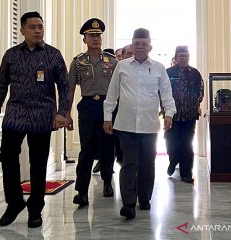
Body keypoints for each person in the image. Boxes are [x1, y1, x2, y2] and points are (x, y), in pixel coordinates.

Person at [0, 12, 70, 228]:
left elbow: (64, 86)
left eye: (40, 27)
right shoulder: (11, 55)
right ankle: (14, 202)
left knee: (38, 164)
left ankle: (35, 209)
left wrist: (62, 112)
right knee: (7, 158)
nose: (37, 31)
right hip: (15, 115)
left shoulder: (53, 55)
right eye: (33, 27)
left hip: (43, 116)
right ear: (23, 30)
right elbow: (0, 86)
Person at [103, 28, 176, 219]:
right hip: (125, 125)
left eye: (144, 43)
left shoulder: (159, 68)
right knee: (129, 164)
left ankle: (144, 198)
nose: (140, 46)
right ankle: (128, 203)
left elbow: (166, 94)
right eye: (137, 43)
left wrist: (169, 113)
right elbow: (112, 93)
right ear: (132, 46)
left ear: (150, 46)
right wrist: (107, 117)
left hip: (150, 125)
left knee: (147, 164)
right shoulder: (122, 66)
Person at [67, 18, 117, 207]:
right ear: (85, 39)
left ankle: (107, 183)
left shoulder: (112, 62)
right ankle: (82, 191)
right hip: (87, 107)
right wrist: (67, 113)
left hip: (108, 106)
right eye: (91, 35)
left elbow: (118, 88)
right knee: (86, 149)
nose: (95, 38)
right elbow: (70, 89)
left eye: (98, 35)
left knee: (107, 147)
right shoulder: (78, 63)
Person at [165, 46, 204, 183]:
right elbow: (162, 91)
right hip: (172, 115)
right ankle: (173, 161)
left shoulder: (194, 73)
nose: (184, 58)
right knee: (171, 142)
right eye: (181, 56)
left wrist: (195, 103)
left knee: (187, 144)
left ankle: (186, 173)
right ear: (175, 58)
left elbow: (200, 90)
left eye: (186, 55)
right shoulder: (168, 73)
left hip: (189, 114)